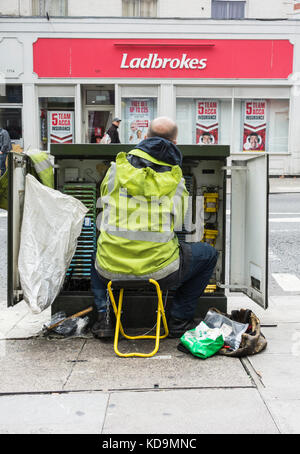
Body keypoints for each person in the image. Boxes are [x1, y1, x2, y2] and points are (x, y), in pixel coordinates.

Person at [91, 116, 218, 339]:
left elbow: (103, 205)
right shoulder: (176, 180)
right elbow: (178, 223)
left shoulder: (115, 170)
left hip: (110, 269)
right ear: (175, 144)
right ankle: (179, 320)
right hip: (161, 272)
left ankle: (105, 318)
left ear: (145, 137)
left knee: (99, 245)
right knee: (208, 254)